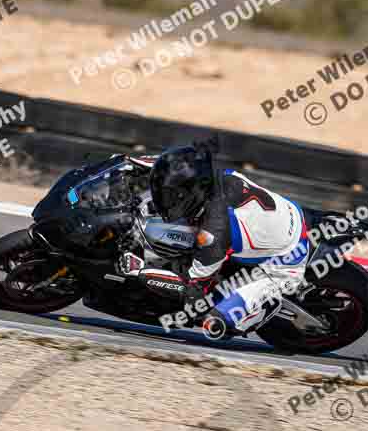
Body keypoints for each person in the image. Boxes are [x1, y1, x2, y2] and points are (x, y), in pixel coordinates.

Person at [120, 140, 311, 340]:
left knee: (214, 322)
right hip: (284, 216)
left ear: (192, 194)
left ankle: (264, 305)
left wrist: (139, 271)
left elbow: (192, 287)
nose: (166, 200)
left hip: (283, 264)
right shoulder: (211, 177)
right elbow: (178, 168)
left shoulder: (214, 234)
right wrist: (135, 164)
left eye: (174, 196)